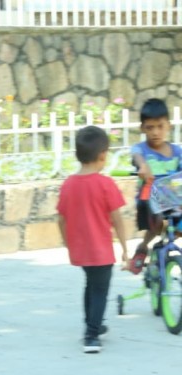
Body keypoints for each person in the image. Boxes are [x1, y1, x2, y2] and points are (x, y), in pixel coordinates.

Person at [57, 125, 128, 354]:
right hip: (101, 250)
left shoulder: (68, 184)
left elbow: (61, 219)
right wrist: (126, 248)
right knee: (100, 290)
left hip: (81, 250)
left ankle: (93, 323)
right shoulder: (106, 184)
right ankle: (91, 335)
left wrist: (67, 243)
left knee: (91, 285)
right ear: (102, 155)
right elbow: (117, 219)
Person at [127, 98, 182, 274]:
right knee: (157, 222)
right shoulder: (141, 150)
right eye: (150, 128)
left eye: (160, 126)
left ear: (169, 126)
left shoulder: (177, 152)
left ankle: (164, 244)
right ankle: (143, 246)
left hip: (173, 199)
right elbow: (137, 157)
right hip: (150, 198)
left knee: (178, 226)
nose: (155, 132)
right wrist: (143, 166)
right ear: (142, 128)